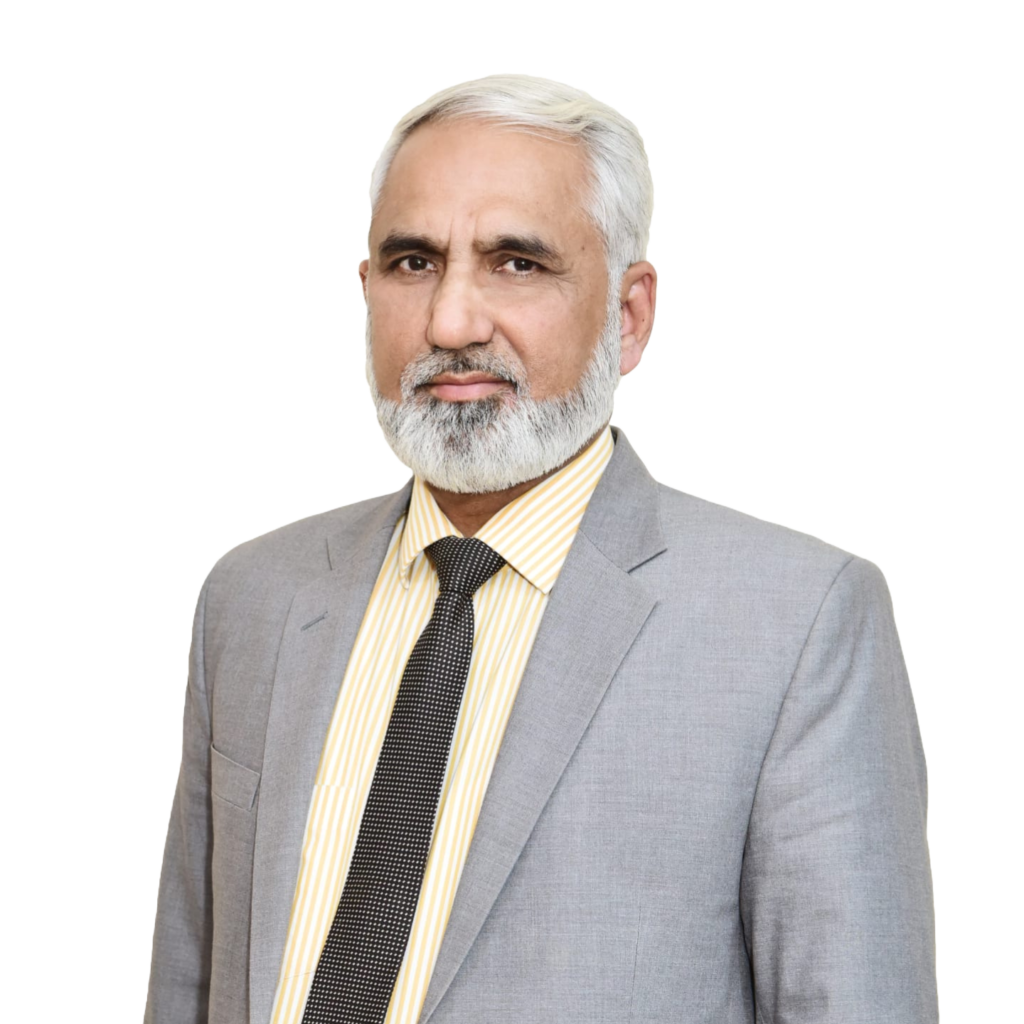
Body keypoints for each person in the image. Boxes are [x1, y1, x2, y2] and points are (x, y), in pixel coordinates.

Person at [144, 73, 938, 1023]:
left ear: (630, 314)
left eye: (517, 263)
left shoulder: (798, 624)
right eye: (412, 262)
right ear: (365, 291)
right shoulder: (252, 596)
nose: (451, 323)